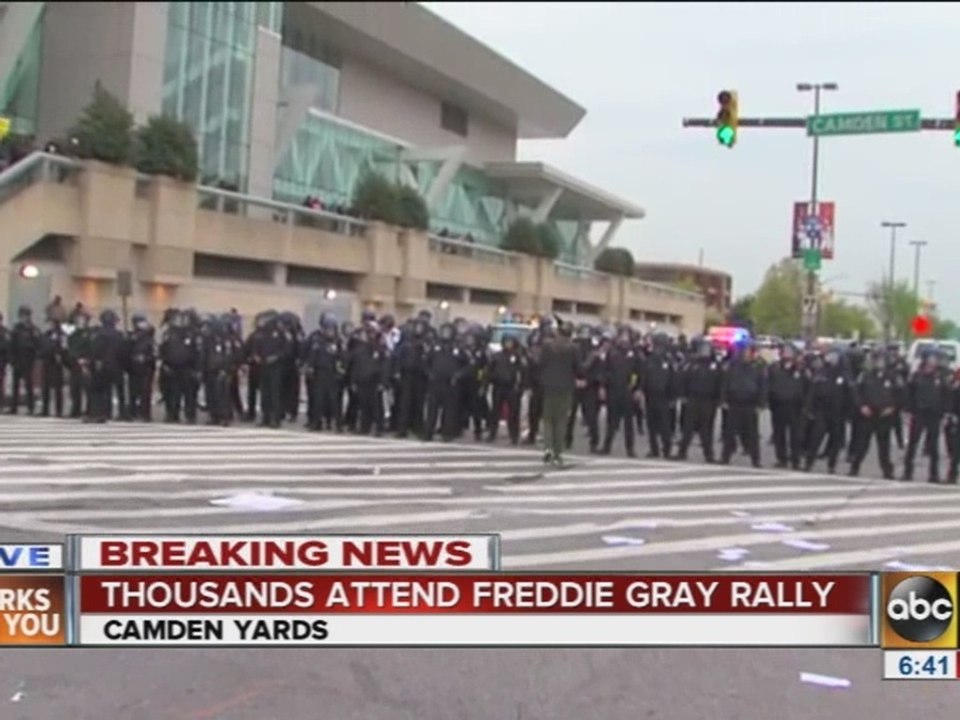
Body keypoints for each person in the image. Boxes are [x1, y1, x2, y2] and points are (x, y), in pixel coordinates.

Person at [538, 320, 579, 466]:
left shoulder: (547, 345)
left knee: (548, 419)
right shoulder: (573, 348)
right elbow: (578, 368)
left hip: (549, 386)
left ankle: (547, 447)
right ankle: (558, 452)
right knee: (561, 421)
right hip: (565, 387)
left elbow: (540, 363)